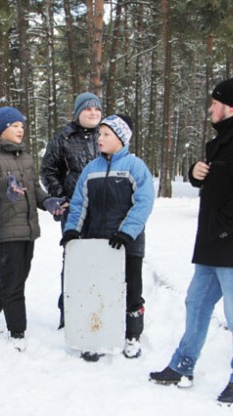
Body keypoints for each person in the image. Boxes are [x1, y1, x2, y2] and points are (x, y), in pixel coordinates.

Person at [149, 76, 233, 405]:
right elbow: (218, 181)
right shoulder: (224, 140)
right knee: (196, 304)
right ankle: (182, 365)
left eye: (214, 103)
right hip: (215, 244)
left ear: (229, 106)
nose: (210, 108)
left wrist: (220, 228)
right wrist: (195, 173)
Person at [0, 107, 67, 351]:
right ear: (2, 129)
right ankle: (17, 332)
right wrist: (6, 184)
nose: (20, 130)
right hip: (7, 226)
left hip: (28, 226)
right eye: (15, 126)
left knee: (16, 275)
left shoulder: (25, 157)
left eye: (22, 126)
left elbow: (34, 189)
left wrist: (48, 202)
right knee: (14, 281)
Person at [61, 114, 154, 361]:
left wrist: (126, 232)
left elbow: (143, 203)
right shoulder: (92, 169)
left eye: (106, 134)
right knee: (98, 289)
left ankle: (132, 335)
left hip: (127, 243)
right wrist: (72, 230)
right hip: (98, 243)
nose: (99, 138)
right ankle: (96, 335)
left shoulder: (135, 167)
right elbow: (80, 203)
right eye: (99, 134)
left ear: (121, 139)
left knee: (131, 290)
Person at [40, 92, 102, 329]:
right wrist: (61, 195)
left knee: (100, 259)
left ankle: (97, 310)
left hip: (103, 208)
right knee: (74, 259)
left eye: (97, 109)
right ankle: (68, 313)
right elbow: (48, 170)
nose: (93, 113)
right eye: (88, 109)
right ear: (78, 113)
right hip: (74, 209)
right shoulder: (64, 138)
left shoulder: (106, 134)